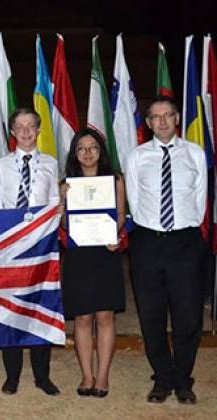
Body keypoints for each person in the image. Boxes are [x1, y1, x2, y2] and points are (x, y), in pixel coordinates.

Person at [125, 96, 207, 404]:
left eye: (168, 115)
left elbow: (199, 201)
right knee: (151, 314)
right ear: (147, 123)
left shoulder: (194, 154)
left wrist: (184, 229)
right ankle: (162, 378)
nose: (162, 122)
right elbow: (133, 197)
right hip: (147, 241)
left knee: (188, 316)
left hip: (184, 241)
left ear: (176, 119)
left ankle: (183, 378)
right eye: (155, 117)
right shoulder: (137, 156)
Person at [0, 108, 60, 396]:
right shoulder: (0, 165)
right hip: (11, 248)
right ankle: (12, 375)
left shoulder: (51, 163)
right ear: (12, 132)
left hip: (42, 247)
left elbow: (56, 203)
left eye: (31, 126)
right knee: (12, 309)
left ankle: (42, 376)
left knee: (40, 308)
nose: (25, 131)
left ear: (38, 129)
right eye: (19, 127)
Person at [60, 128, 126, 398]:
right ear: (75, 154)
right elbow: (65, 225)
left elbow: (121, 216)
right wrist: (62, 204)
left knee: (105, 316)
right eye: (81, 148)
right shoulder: (67, 183)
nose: (87, 153)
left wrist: (116, 235)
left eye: (93, 147)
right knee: (83, 318)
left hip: (105, 254)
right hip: (78, 256)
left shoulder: (115, 181)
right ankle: (86, 375)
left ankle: (102, 377)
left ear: (101, 151)